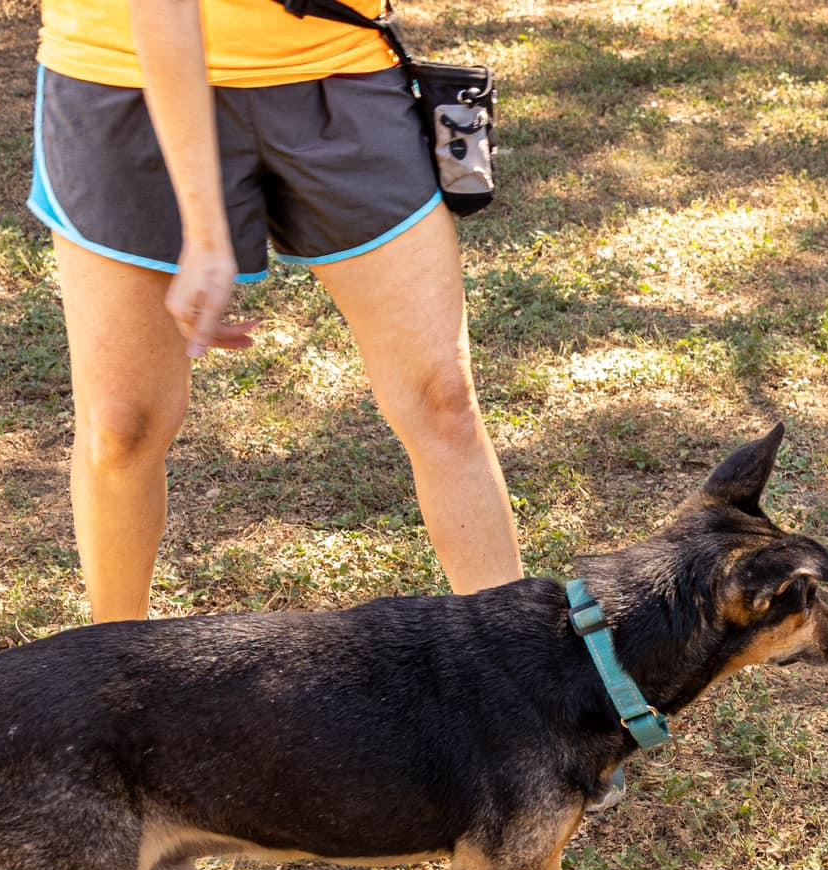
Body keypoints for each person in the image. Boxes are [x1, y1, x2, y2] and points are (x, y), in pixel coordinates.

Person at [27, 0, 523, 621]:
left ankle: (516, 665)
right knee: (123, 427)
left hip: (339, 63)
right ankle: (115, 672)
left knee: (443, 401)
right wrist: (204, 231)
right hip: (121, 76)